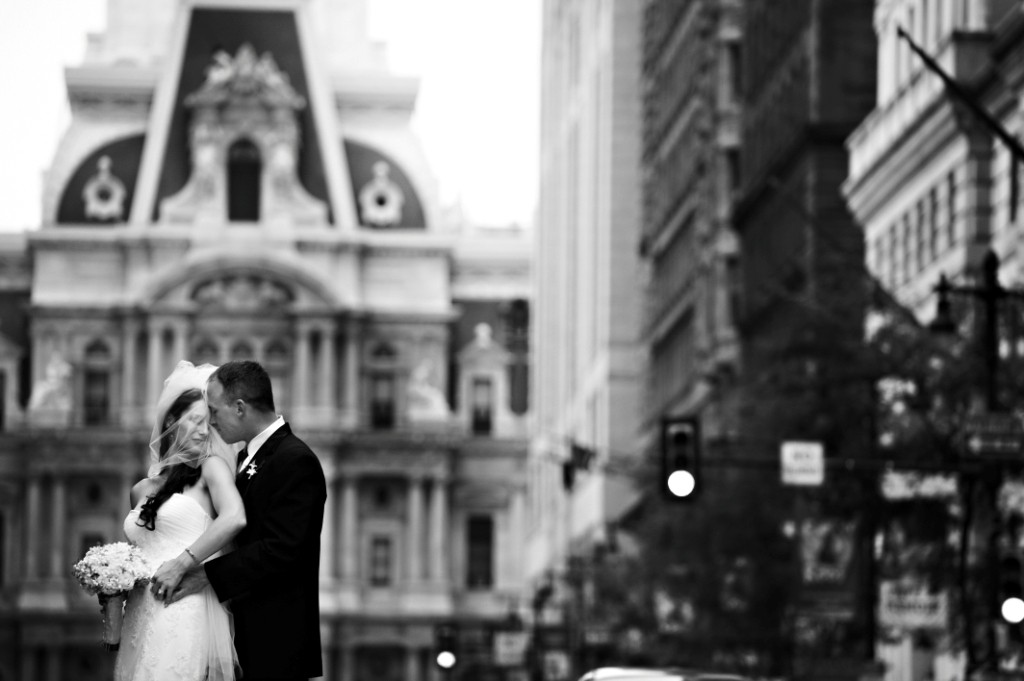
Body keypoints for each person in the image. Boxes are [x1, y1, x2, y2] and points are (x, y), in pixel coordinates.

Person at [161, 359, 327, 681]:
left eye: (213, 410)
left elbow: (282, 549)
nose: (209, 421)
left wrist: (206, 574)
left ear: (239, 408)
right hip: (245, 634)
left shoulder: (296, 460)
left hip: (276, 640)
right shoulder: (249, 456)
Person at [117, 361, 247, 681]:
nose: (205, 432)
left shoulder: (211, 469)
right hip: (138, 614)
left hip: (182, 606)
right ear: (173, 421)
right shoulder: (139, 491)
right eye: (197, 421)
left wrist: (183, 563)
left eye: (209, 424)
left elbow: (235, 518)